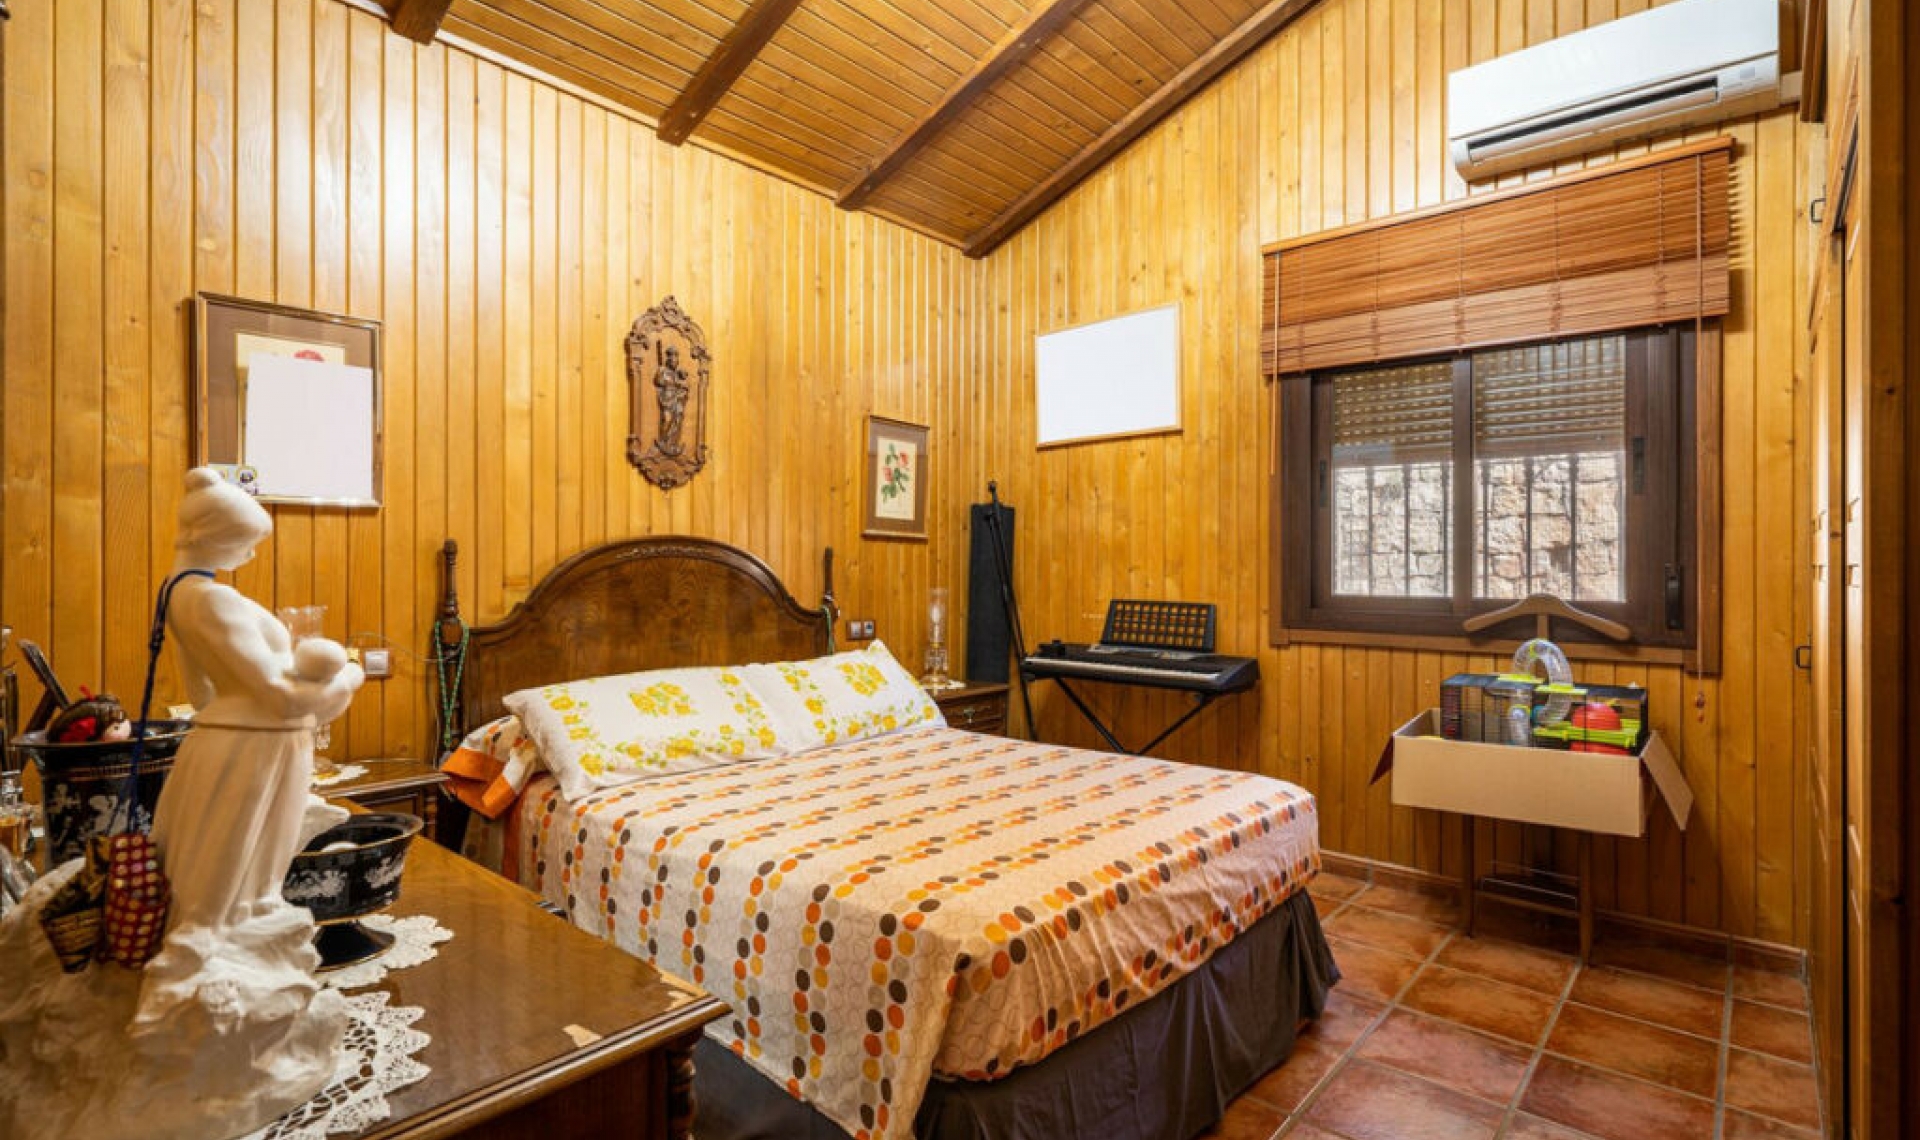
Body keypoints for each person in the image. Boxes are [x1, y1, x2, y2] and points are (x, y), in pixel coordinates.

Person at [0, 467, 364, 1140]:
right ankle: (199, 990)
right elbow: (276, 694)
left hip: (249, 741)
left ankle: (224, 966)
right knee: (228, 885)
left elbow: (203, 694)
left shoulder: (180, 593)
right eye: (246, 540)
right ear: (215, 535)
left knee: (244, 883)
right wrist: (348, 679)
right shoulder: (212, 601)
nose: (251, 552)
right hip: (253, 746)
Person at [655, 344, 691, 457]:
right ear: (668, 359)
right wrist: (673, 383)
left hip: (677, 399)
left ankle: (672, 443)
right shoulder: (662, 370)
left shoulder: (677, 373)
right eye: (671, 357)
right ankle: (663, 441)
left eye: (676, 358)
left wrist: (681, 385)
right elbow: (659, 381)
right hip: (666, 398)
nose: (674, 360)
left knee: (678, 420)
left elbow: (685, 384)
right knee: (667, 419)